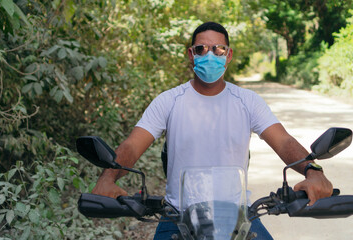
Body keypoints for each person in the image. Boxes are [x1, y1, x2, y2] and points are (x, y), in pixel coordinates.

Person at [92, 22, 333, 239]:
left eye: (218, 49)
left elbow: (283, 142)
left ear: (228, 56)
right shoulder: (169, 101)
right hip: (178, 216)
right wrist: (108, 177)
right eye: (201, 49)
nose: (210, 55)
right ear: (191, 54)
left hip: (238, 217)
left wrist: (313, 170)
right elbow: (133, 145)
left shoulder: (247, 101)